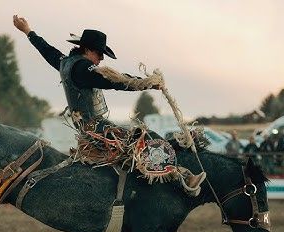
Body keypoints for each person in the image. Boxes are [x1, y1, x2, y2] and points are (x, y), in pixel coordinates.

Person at [12, 15, 206, 195]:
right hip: (96, 128)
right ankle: (182, 177)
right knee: (143, 141)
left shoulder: (65, 62)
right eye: (99, 53)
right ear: (87, 50)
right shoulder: (83, 69)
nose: (101, 58)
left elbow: (46, 49)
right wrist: (146, 82)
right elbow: (114, 81)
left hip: (89, 128)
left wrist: (28, 31)